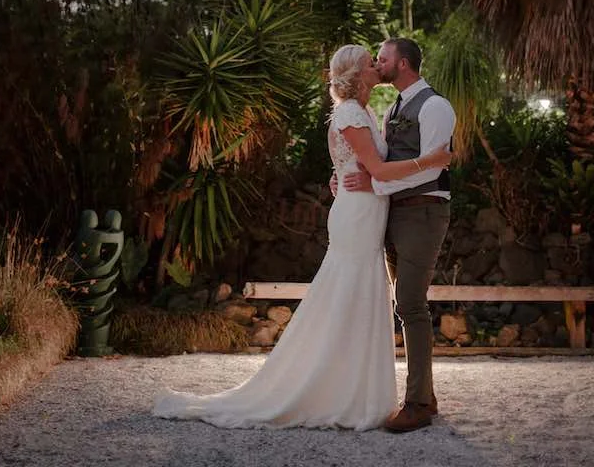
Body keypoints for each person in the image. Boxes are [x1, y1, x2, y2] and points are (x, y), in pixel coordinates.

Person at [151, 44, 451, 430]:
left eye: (381, 59)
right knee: (349, 294)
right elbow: (375, 168)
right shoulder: (354, 112)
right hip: (360, 216)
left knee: (362, 296)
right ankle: (336, 390)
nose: (377, 65)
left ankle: (366, 391)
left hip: (376, 213)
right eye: (371, 61)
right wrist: (429, 162)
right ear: (357, 74)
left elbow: (364, 166)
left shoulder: (377, 110)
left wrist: (351, 176)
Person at [342, 37, 456, 433]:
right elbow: (385, 160)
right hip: (395, 213)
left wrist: (375, 185)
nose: (378, 63)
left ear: (403, 63)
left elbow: (432, 168)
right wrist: (346, 177)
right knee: (404, 305)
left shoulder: (435, 106)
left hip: (424, 211)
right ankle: (426, 395)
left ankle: (418, 403)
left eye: (383, 58)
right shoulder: (393, 107)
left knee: (410, 303)